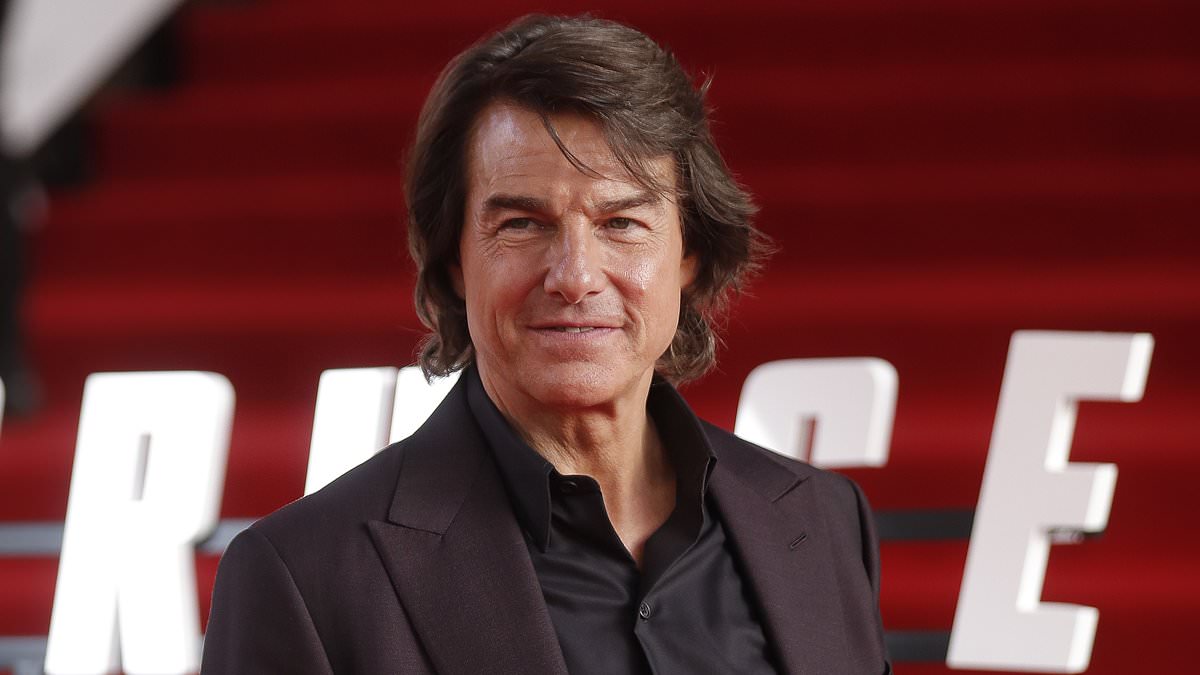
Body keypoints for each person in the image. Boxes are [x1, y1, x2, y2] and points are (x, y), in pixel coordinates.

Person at [202, 14, 889, 674]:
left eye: (621, 222)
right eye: (523, 224)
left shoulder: (824, 519)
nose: (575, 276)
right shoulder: (303, 577)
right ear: (454, 261)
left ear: (690, 254)